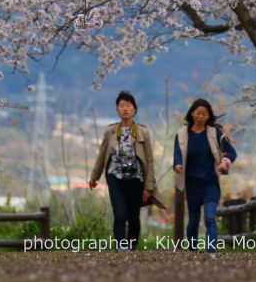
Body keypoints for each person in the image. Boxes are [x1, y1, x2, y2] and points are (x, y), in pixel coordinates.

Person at [89, 90, 163, 248]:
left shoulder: (142, 132)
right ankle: (121, 247)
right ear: (117, 110)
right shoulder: (110, 131)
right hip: (115, 177)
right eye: (121, 105)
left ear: (134, 110)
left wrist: (149, 186)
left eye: (128, 105)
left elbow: (149, 160)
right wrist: (94, 176)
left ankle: (132, 246)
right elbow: (102, 154)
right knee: (120, 214)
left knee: (133, 216)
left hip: (136, 179)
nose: (125, 109)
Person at [173, 97, 237, 252]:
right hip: (191, 184)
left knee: (210, 217)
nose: (201, 116)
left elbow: (232, 152)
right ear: (192, 114)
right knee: (193, 221)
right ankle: (193, 251)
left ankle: (210, 253)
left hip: (210, 183)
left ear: (209, 116)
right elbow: (177, 153)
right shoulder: (182, 134)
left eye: (204, 114)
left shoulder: (215, 133)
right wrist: (177, 164)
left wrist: (225, 161)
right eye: (198, 113)